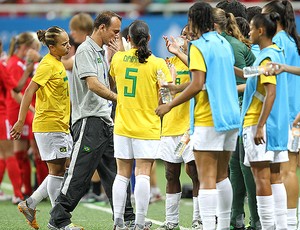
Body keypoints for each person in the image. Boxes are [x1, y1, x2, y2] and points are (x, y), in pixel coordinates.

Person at [47, 11, 136, 230]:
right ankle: (58, 219)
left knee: (118, 173)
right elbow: (93, 85)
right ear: (101, 28)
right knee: (80, 173)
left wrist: (116, 60)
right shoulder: (86, 50)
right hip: (89, 121)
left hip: (104, 120)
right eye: (114, 32)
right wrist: (119, 99)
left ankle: (126, 218)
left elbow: (109, 85)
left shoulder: (99, 52)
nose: (117, 37)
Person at [156, 2, 240, 229]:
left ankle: (209, 226)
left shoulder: (199, 46)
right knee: (222, 176)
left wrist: (169, 105)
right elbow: (223, 73)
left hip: (208, 117)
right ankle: (222, 225)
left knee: (207, 177)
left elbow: (197, 84)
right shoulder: (222, 42)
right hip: (230, 116)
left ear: (194, 20)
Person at [110, 20, 172, 230]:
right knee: (143, 173)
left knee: (121, 174)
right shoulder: (158, 63)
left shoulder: (118, 59)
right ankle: (139, 222)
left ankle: (118, 222)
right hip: (147, 125)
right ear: (149, 38)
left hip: (122, 125)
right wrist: (162, 107)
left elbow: (113, 82)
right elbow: (166, 94)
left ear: (129, 39)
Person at [11, 26, 72, 230]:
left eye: (68, 42)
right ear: (52, 47)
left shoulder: (57, 62)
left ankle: (29, 204)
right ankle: (59, 222)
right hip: (49, 125)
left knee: (59, 171)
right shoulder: (47, 65)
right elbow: (28, 91)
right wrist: (20, 121)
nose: (69, 46)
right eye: (64, 44)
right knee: (57, 173)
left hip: (58, 124)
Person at [212, 7, 260, 230]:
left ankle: (261, 220)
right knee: (236, 167)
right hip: (236, 114)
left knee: (250, 168)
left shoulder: (236, 47)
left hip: (250, 114)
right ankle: (236, 218)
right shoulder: (226, 46)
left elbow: (252, 81)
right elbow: (246, 74)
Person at [241, 12, 289, 230]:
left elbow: (270, 93)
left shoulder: (266, 57)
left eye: (251, 28)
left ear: (261, 31)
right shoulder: (276, 53)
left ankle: (269, 227)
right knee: (275, 177)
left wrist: (259, 126)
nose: (249, 32)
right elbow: (247, 74)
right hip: (277, 124)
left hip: (259, 123)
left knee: (261, 179)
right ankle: (282, 226)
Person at [156, 25, 200, 230]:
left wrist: (180, 53)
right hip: (171, 127)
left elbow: (198, 81)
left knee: (195, 172)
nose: (184, 38)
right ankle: (171, 221)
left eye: (189, 35)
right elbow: (164, 97)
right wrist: (166, 87)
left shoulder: (197, 64)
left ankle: (198, 219)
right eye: (183, 35)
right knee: (171, 174)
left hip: (190, 127)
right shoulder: (167, 64)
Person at [262, 1, 300, 229]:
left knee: (286, 171)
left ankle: (290, 222)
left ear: (274, 19)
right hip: (294, 112)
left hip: (288, 115)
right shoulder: (293, 42)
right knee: (289, 169)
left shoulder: (278, 43)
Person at [6, 32, 42, 200]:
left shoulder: (21, 64)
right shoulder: (14, 64)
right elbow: (15, 92)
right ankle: (24, 190)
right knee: (19, 152)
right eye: (33, 48)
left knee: (30, 151)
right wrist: (31, 109)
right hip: (18, 110)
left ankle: (29, 189)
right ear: (26, 48)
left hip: (25, 110)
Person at [0, 38, 34, 203]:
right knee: (11, 153)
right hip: (6, 113)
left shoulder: (9, 64)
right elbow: (15, 90)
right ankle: (19, 193)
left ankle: (21, 190)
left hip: (8, 112)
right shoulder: (7, 65)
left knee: (4, 154)